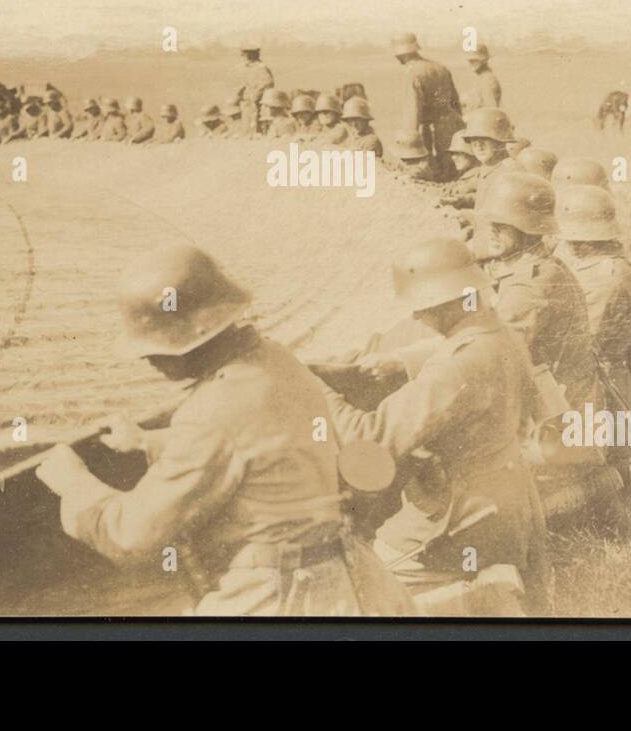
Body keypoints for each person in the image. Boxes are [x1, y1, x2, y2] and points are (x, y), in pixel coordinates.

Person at [35, 246, 415, 617]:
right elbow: (260, 445)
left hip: (280, 597)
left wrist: (75, 486)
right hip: (350, 580)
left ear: (187, 343)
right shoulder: (275, 359)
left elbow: (133, 535)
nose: (149, 360)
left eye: (154, 349)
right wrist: (146, 441)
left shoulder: (212, 411)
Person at [319, 238, 550, 615]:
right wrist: (400, 362)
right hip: (507, 504)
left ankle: (470, 602)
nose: (415, 318)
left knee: (364, 583)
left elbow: (373, 439)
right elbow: (461, 356)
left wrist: (322, 394)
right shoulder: (500, 335)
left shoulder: (455, 366)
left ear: (446, 303)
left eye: (421, 308)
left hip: (458, 519)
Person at [473, 172, 597, 409]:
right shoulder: (529, 261)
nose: (491, 232)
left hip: (558, 415)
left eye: (501, 226)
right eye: (490, 224)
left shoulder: (533, 284)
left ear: (526, 228)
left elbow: (488, 348)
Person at [556, 185, 631, 410]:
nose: (570, 244)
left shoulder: (609, 274)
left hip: (598, 384)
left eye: (577, 239)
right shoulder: (585, 259)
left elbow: (586, 339)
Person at [392, 33, 464, 177]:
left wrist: (411, 142)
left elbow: (412, 112)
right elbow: (455, 101)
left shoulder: (412, 73)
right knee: (450, 167)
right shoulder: (439, 67)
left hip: (428, 127)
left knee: (429, 170)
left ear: (401, 54)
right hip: (449, 123)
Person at [235, 46, 274, 137]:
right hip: (246, 100)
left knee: (255, 122)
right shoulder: (247, 67)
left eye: (246, 54)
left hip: (257, 101)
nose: (244, 56)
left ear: (252, 54)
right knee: (246, 121)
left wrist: (257, 93)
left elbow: (269, 83)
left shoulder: (261, 67)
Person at [462, 43, 502, 111]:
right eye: (470, 61)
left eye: (475, 60)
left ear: (484, 61)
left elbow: (491, 110)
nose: (471, 63)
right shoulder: (481, 78)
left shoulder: (489, 80)